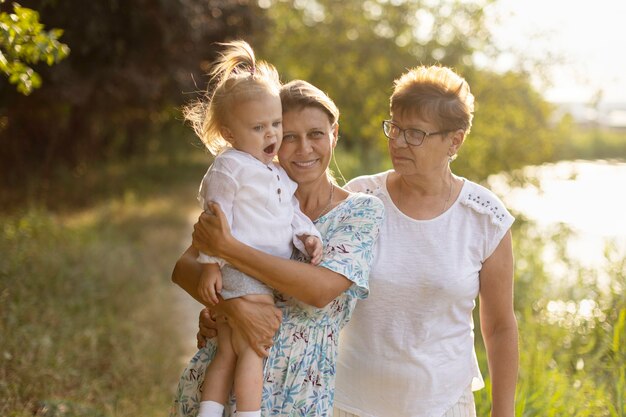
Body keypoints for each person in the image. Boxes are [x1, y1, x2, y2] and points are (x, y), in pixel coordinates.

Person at [194, 65, 519, 417]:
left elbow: (500, 327)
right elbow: (250, 262)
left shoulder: (485, 218)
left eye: (415, 134)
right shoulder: (361, 195)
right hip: (348, 402)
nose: (396, 141)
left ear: (454, 140)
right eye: (394, 128)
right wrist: (226, 305)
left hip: (441, 403)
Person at [170, 79, 385, 417]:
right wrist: (234, 307)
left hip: (298, 390)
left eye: (315, 133)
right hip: (219, 383)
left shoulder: (361, 211)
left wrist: (228, 248)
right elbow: (184, 268)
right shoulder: (248, 193)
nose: (303, 149)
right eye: (288, 136)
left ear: (334, 134)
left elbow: (319, 290)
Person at [183, 41, 324, 417]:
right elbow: (215, 216)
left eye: (276, 125)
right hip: (244, 272)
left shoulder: (272, 171)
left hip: (252, 271)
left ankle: (210, 411)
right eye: (258, 127)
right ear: (230, 134)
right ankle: (249, 413)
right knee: (254, 348)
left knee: (228, 348)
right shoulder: (231, 166)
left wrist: (308, 234)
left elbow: (289, 210)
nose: (271, 136)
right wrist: (212, 265)